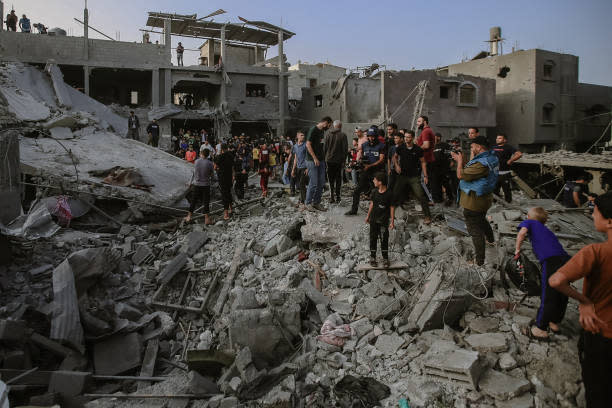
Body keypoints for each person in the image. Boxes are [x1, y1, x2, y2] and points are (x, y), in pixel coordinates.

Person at [549, 191, 612, 408]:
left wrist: (584, 302)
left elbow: (556, 280)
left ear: (609, 221)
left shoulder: (595, 251)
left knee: (598, 392)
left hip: (600, 333)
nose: (592, 216)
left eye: (595, 213)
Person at [515, 207, 570, 339]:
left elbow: (522, 233)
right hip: (566, 260)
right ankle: (554, 322)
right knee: (562, 292)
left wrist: (517, 250)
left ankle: (540, 328)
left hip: (551, 260)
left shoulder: (530, 222)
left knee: (548, 293)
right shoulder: (546, 230)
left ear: (528, 216)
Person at [451, 135, 499, 266]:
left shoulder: (482, 164)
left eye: (473, 147)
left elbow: (461, 175)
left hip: (474, 202)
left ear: (479, 147)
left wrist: (459, 162)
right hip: (484, 199)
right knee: (481, 219)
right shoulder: (491, 157)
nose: (471, 149)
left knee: (475, 231)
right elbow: (471, 170)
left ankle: (479, 261)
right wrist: (463, 159)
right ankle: (490, 239)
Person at [392, 130, 432, 224]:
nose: (406, 139)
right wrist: (397, 165)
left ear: (413, 138)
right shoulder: (400, 147)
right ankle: (390, 214)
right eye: (405, 137)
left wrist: (425, 176)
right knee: (395, 193)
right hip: (402, 176)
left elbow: (423, 162)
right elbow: (395, 157)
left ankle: (427, 216)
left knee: (421, 196)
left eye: (408, 137)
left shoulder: (418, 149)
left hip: (414, 177)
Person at [346, 127, 385, 215]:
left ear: (376, 136)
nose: (371, 138)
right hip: (366, 171)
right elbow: (361, 155)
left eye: (373, 136)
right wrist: (357, 162)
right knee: (357, 190)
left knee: (377, 192)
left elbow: (381, 160)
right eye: (369, 136)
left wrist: (370, 165)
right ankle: (354, 210)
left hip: (377, 172)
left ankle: (378, 212)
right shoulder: (364, 145)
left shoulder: (381, 145)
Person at [365, 172, 395, 268]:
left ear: (380, 182)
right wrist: (368, 216)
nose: (373, 181)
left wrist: (392, 221)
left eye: (375, 180)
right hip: (373, 220)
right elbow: (372, 204)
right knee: (373, 238)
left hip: (383, 221)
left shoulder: (390, 194)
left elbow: (392, 207)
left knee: (384, 239)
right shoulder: (374, 192)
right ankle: (373, 257)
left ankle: (385, 258)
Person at [305, 116, 333, 212]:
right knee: (313, 183)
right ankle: (308, 203)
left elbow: (320, 146)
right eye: (329, 125)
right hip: (312, 160)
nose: (329, 127)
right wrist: (314, 158)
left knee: (321, 182)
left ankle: (316, 202)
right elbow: (308, 144)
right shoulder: (313, 130)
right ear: (325, 122)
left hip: (321, 160)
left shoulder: (322, 131)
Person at [184, 148, 214, 225]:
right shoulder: (210, 163)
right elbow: (212, 175)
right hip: (206, 185)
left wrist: (190, 182)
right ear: (208, 155)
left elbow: (194, 173)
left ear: (201, 154)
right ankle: (207, 219)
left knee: (194, 200)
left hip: (197, 184)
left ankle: (189, 216)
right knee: (206, 202)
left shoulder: (196, 161)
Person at [492, 133, 522, 202]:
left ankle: (508, 205)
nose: (497, 139)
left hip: (504, 173)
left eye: (499, 138)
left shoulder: (508, 147)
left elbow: (519, 154)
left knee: (507, 191)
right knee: (494, 191)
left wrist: (511, 160)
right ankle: (495, 205)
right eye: (497, 138)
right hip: (495, 173)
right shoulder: (493, 148)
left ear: (505, 140)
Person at [324, 120, 348, 203]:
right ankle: (338, 197)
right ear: (340, 126)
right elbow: (345, 150)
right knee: (338, 179)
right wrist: (344, 161)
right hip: (339, 161)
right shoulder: (343, 135)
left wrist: (325, 158)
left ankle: (331, 197)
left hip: (329, 160)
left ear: (334, 126)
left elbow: (325, 148)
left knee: (330, 179)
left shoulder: (327, 134)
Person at [416, 115, 436, 203]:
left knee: (425, 180)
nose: (417, 123)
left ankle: (430, 200)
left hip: (426, 160)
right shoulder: (428, 130)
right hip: (428, 159)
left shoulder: (426, 131)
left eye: (419, 121)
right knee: (426, 180)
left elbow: (426, 145)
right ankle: (429, 199)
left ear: (424, 122)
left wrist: (416, 150)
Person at [431, 132, 454, 205]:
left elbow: (451, 153)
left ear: (439, 137)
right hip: (435, 169)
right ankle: (438, 200)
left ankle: (450, 199)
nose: (434, 138)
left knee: (446, 184)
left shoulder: (444, 145)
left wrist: (451, 161)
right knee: (436, 185)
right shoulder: (431, 146)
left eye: (436, 137)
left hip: (444, 169)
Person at [214, 144, 235, 220]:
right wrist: (233, 175)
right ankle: (231, 208)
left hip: (222, 177)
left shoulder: (219, 157)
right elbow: (233, 167)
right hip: (229, 176)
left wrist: (219, 170)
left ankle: (226, 213)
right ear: (227, 148)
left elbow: (215, 167)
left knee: (224, 194)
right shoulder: (231, 155)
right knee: (229, 192)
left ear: (221, 149)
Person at [291, 131, 309, 209]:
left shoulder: (305, 145)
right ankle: (302, 200)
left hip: (304, 167)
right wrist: (293, 169)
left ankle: (304, 202)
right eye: (301, 135)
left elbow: (309, 157)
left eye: (304, 135)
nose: (303, 137)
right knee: (299, 185)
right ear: (297, 136)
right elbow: (295, 158)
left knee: (302, 184)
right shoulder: (295, 146)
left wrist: (308, 168)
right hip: (298, 167)